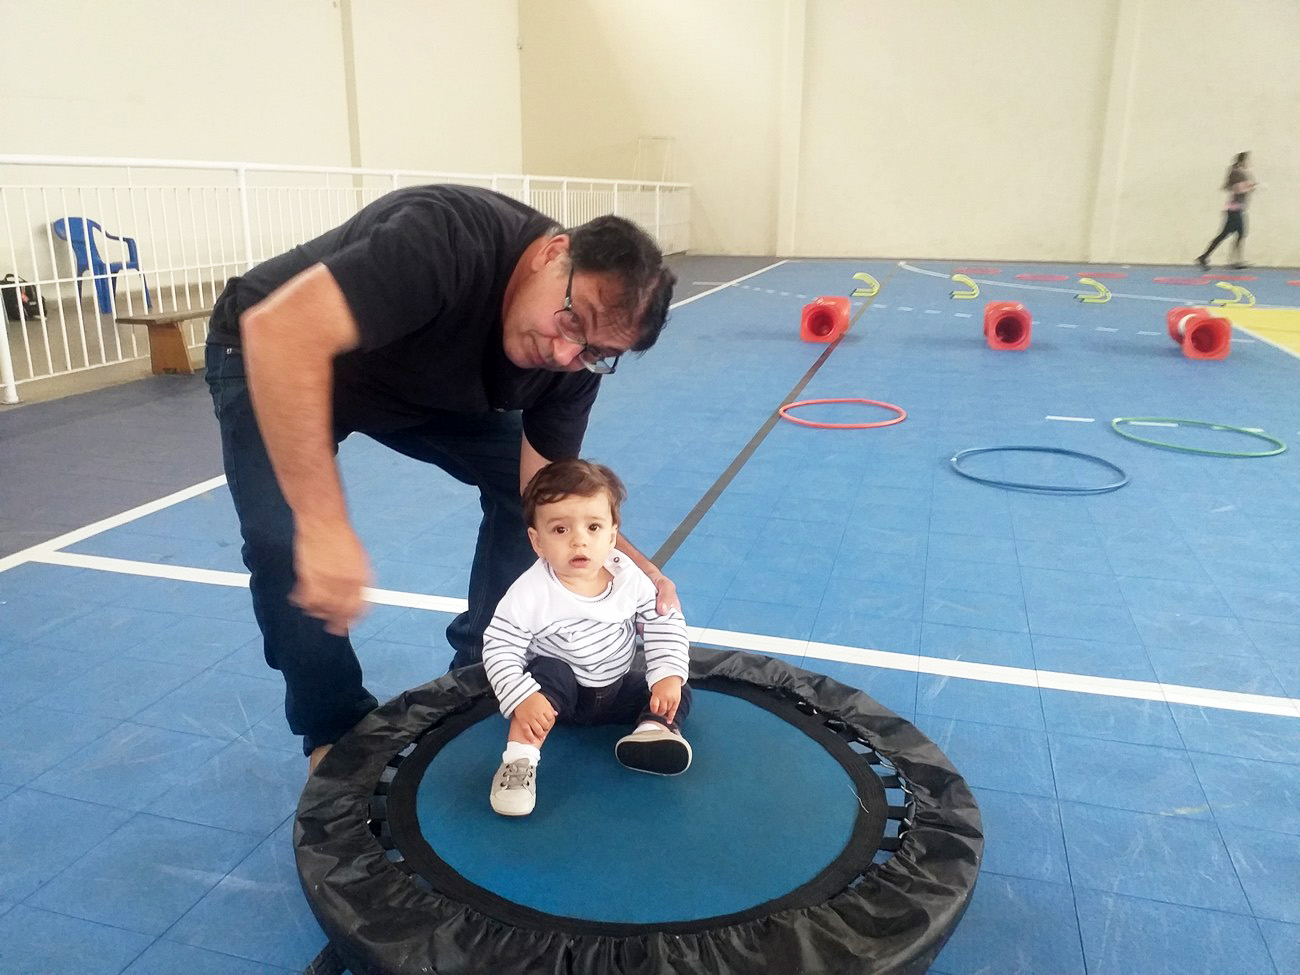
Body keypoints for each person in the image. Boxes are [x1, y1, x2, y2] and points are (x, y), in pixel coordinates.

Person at [203, 184, 678, 774]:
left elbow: (546, 496)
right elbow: (282, 332)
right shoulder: (443, 241)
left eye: (593, 351)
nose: (564, 354)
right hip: (278, 351)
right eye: (570, 320)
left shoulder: (571, 363)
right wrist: (323, 526)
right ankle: (336, 732)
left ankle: (477, 676)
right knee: (288, 541)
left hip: (416, 387)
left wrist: (628, 561)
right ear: (552, 254)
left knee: (524, 505)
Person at [482, 459, 692, 817]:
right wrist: (522, 697)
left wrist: (668, 676)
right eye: (560, 529)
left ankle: (651, 731)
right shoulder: (530, 592)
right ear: (537, 541)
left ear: (612, 536)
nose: (579, 539)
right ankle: (519, 762)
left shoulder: (628, 577)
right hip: (558, 699)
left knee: (678, 687)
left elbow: (662, 621)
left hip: (614, 690)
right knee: (550, 672)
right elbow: (499, 647)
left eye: (593, 527)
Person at [1196, 151, 1256, 270]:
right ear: (1242, 161)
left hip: (1236, 208)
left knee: (1226, 234)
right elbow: (1235, 188)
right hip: (1235, 208)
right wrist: (1249, 186)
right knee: (1240, 233)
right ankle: (1234, 261)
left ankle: (1205, 256)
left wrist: (1249, 186)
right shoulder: (1236, 172)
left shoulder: (1239, 172)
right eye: (1248, 160)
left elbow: (1231, 186)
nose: (1249, 162)